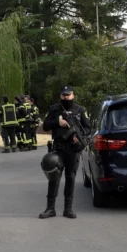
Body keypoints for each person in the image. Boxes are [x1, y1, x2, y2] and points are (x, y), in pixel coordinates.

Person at [39, 85, 90, 219]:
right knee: (54, 178)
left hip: (73, 150)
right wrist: (57, 122)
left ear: (73, 95)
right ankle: (50, 209)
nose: (66, 97)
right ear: (60, 96)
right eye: (63, 95)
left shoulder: (80, 110)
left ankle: (68, 209)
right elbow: (45, 126)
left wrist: (79, 138)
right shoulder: (54, 109)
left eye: (68, 95)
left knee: (71, 178)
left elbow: (88, 128)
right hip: (58, 149)